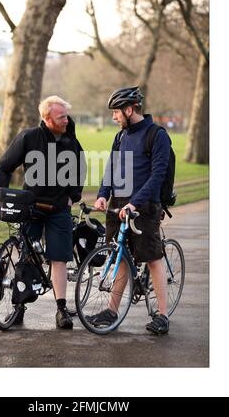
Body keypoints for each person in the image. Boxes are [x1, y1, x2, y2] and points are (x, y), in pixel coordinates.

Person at [0, 96, 86, 329]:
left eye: (67, 115)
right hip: (31, 207)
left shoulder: (71, 141)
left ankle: (61, 310)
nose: (67, 120)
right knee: (25, 255)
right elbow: (3, 167)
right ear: (47, 118)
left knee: (59, 258)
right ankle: (19, 306)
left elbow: (80, 169)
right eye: (61, 116)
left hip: (58, 209)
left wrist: (72, 196)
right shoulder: (29, 137)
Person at [92, 86, 171, 335]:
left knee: (152, 258)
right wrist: (104, 194)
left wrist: (135, 203)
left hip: (144, 206)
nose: (114, 117)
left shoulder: (156, 135)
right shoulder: (120, 136)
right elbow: (111, 167)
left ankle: (162, 314)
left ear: (129, 109)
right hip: (119, 204)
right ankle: (112, 311)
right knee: (120, 256)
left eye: (116, 112)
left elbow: (158, 175)